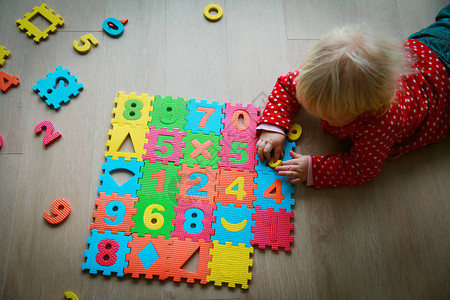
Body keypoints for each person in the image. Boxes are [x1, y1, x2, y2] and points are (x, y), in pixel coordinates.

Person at [256, 4, 450, 188]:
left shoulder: (380, 124)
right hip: (432, 42)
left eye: (329, 116)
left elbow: (363, 168)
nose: (321, 118)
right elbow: (286, 86)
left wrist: (313, 169)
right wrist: (274, 126)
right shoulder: (321, 75)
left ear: (363, 110)